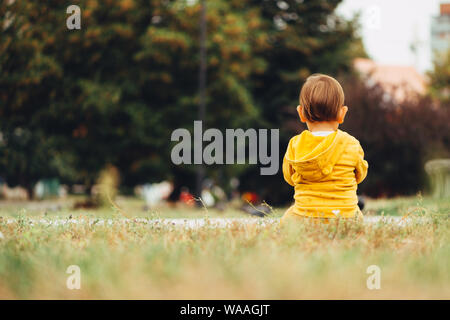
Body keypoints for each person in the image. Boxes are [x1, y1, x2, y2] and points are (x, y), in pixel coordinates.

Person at [281, 74, 368, 225]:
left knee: (286, 220)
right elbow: (360, 175)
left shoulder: (295, 144)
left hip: (305, 219)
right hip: (345, 218)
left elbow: (289, 178)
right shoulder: (351, 144)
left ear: (301, 113)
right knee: (357, 216)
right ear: (342, 113)